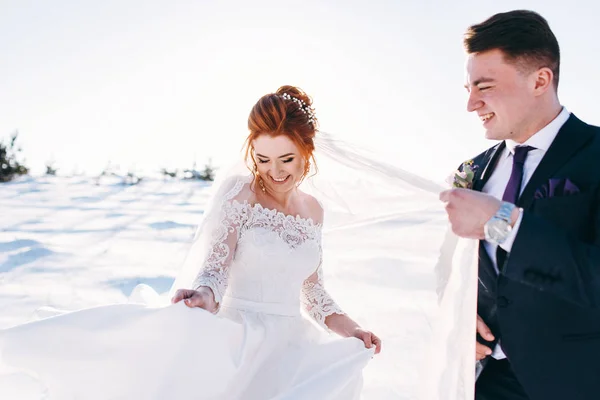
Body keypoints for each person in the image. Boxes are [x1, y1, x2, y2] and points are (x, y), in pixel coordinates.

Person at [0, 85, 380, 400]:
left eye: (286, 159)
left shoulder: (314, 210)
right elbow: (216, 264)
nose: (274, 171)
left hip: (293, 349)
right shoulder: (240, 194)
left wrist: (354, 330)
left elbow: (314, 294)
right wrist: (205, 295)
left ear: (307, 153)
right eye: (263, 158)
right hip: (239, 341)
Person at [441, 10, 600, 400]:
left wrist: (504, 222)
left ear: (540, 80)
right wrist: (461, 316)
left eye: (485, 86)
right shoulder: (472, 170)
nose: (471, 104)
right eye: (468, 89)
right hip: (486, 382)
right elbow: (456, 271)